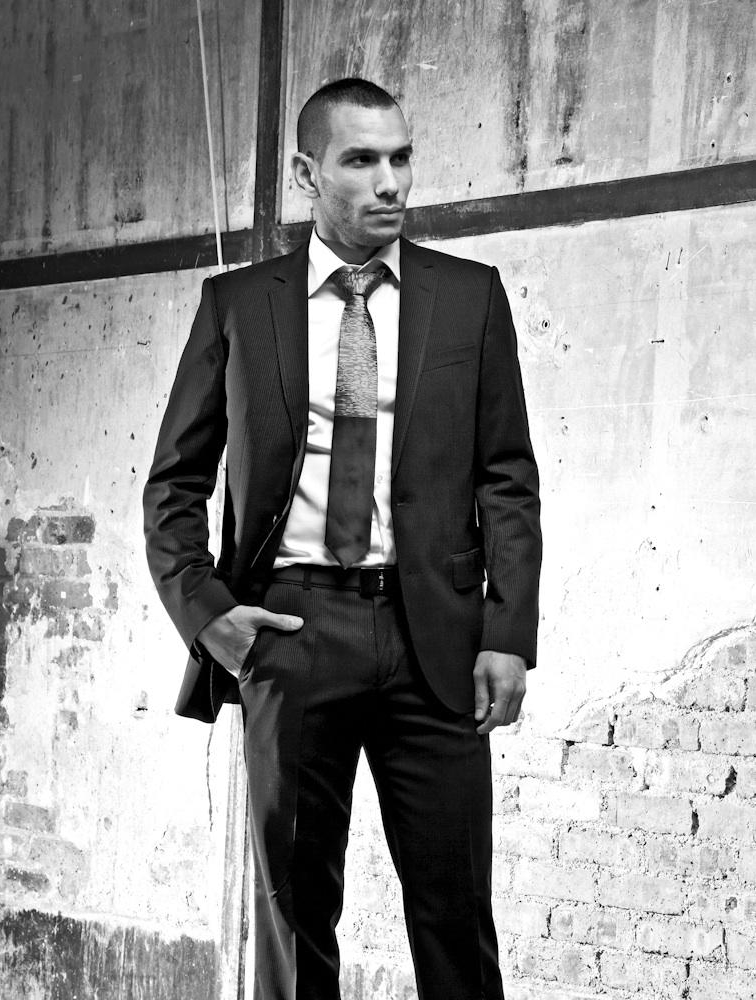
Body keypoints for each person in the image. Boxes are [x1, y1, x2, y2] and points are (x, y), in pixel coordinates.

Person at [143, 77, 541, 1000]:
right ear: (305, 173)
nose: (389, 182)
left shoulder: (469, 297)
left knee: (454, 912)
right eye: (361, 160)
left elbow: (506, 479)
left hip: (434, 637)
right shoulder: (237, 304)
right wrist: (208, 616)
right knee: (294, 915)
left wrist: (506, 633)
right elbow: (174, 483)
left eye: (400, 157)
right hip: (292, 631)